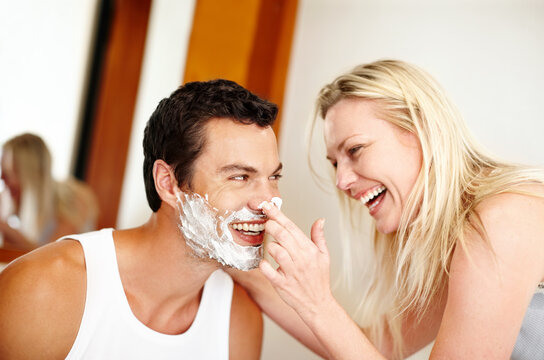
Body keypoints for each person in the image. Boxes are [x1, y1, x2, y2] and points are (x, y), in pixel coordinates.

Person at [230, 60, 544, 359]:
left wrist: (319, 303)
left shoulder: (503, 219)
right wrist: (247, 270)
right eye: (336, 163)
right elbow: (372, 346)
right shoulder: (457, 243)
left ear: (421, 129)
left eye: (355, 150)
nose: (341, 181)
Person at [0, 79, 283, 359]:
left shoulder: (237, 318)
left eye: (273, 177)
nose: (269, 202)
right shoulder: (44, 289)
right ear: (168, 183)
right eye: (240, 177)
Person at [0, 133, 99, 251]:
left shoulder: (71, 200)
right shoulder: (11, 200)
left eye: (9, 173)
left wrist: (6, 229)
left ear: (30, 172)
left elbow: (54, 254)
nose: (2, 178)